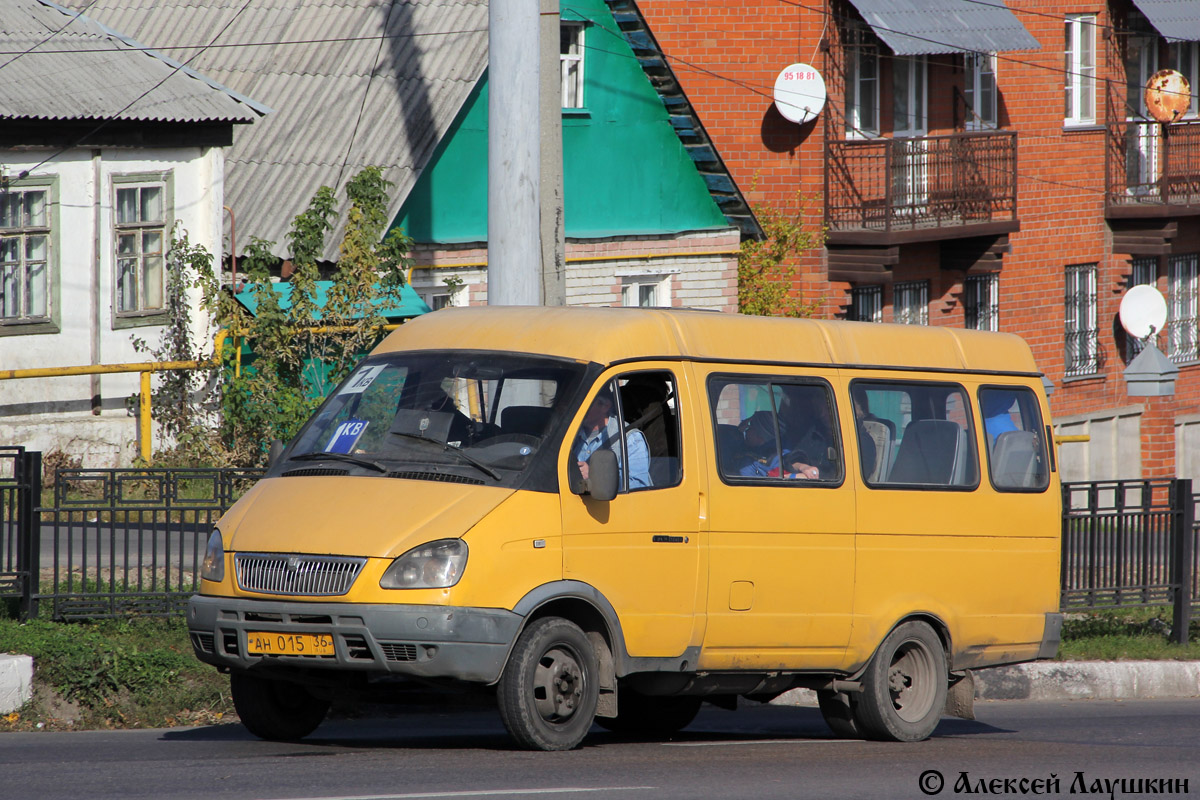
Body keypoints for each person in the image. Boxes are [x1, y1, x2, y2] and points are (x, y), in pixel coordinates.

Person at [575, 389, 651, 490]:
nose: (577, 408)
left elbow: (638, 486)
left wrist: (595, 476)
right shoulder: (571, 433)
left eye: (584, 403)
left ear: (605, 406)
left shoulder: (630, 438)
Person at [737, 408, 822, 480]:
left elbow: (788, 461)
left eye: (751, 427)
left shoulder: (773, 457)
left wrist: (803, 467)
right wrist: (737, 431)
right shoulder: (751, 448)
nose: (746, 430)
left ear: (761, 436)